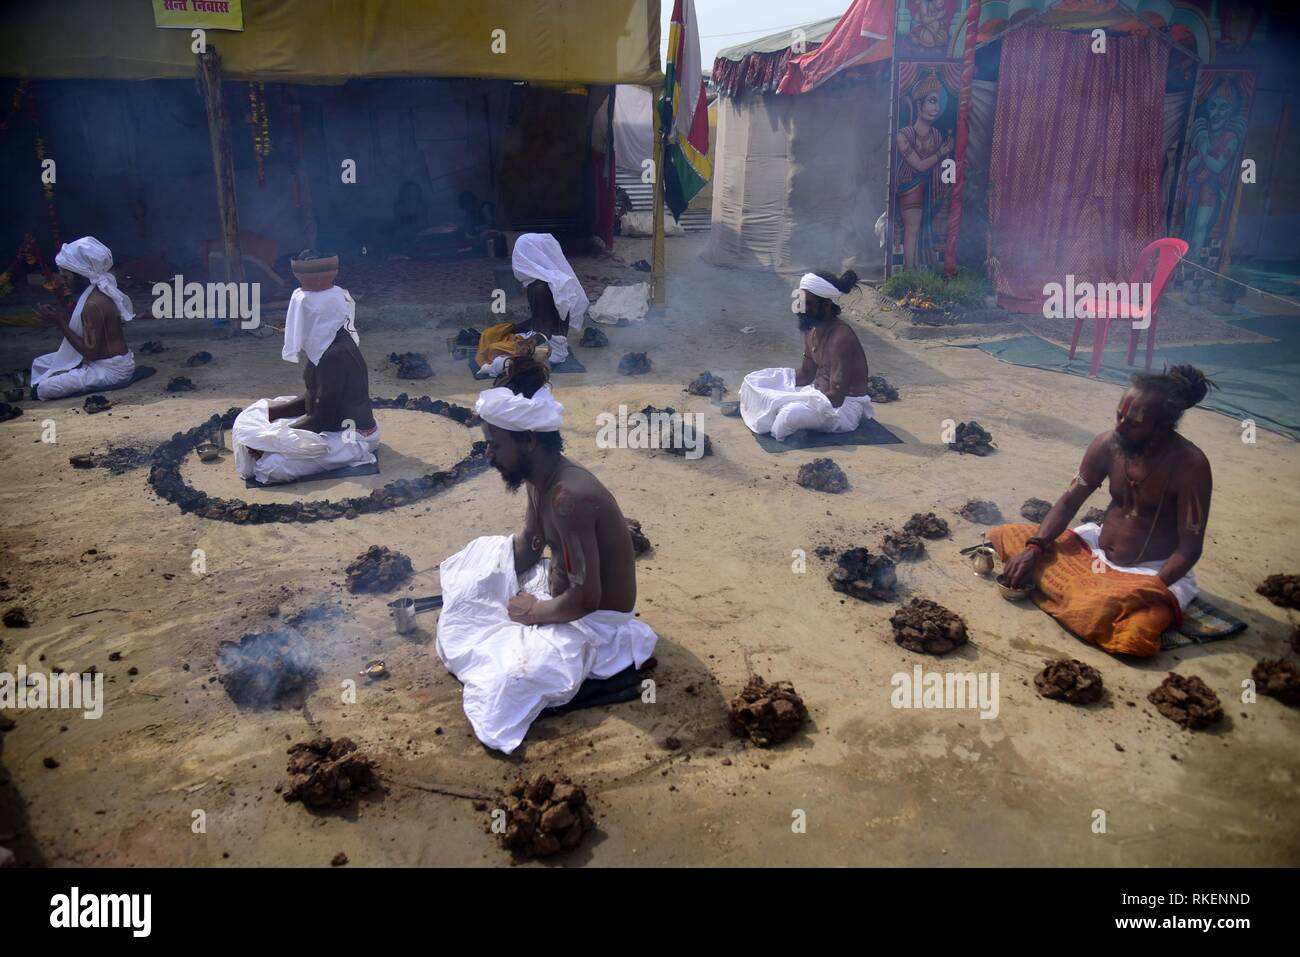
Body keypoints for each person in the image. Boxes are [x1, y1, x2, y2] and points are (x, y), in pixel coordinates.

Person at [436, 347, 657, 753]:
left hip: (597, 621)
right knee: (471, 567)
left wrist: (531, 612)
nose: (489, 455)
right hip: (560, 594)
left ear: (530, 440)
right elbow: (530, 544)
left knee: (506, 682)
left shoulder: (567, 498)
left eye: (495, 445)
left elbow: (587, 597)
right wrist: (489, 578)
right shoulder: (540, 476)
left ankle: (596, 677)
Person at [992, 365, 1214, 657]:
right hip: (1093, 550)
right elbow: (1069, 501)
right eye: (1119, 416)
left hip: (1151, 572)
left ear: (1161, 427)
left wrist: (1147, 589)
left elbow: (1189, 549)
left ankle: (1092, 597)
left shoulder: (1191, 466)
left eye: (1132, 423)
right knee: (1006, 535)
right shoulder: (1107, 444)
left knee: (1128, 631)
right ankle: (1085, 591)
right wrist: (1034, 548)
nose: (1120, 427)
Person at [232, 254, 378, 484]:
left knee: (269, 467)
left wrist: (271, 442)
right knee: (252, 416)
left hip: (350, 437)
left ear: (319, 319)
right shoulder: (323, 344)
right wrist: (272, 415)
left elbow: (322, 418)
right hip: (326, 423)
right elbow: (312, 397)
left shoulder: (334, 355)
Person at [740, 270, 873, 442]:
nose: (800, 308)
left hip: (843, 409)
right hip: (817, 394)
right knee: (753, 381)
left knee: (787, 416)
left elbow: (837, 397)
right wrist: (770, 385)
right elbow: (805, 374)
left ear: (825, 305)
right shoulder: (811, 332)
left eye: (807, 303)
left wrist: (788, 399)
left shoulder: (841, 338)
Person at [30, 237, 136, 401]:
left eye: (66, 273)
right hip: (105, 362)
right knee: (41, 363)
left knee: (43, 389)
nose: (62, 278)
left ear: (81, 273)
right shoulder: (97, 293)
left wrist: (59, 322)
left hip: (111, 370)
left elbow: (90, 353)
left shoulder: (93, 304)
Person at [510, 232, 589, 365]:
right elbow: (544, 319)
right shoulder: (555, 280)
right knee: (502, 336)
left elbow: (544, 330)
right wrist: (513, 328)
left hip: (553, 351)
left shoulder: (539, 287)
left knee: (497, 348)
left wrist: (525, 343)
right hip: (553, 341)